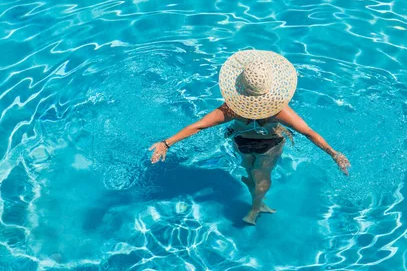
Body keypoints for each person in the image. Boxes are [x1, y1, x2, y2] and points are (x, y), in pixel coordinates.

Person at [149, 50, 351, 225]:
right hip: (269, 145)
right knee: (263, 177)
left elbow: (199, 126)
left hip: (240, 141)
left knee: (249, 169)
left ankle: (252, 184)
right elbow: (308, 132)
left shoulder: (231, 109)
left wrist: (166, 143)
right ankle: (255, 208)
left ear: (242, 86)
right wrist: (334, 154)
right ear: (271, 87)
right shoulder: (279, 111)